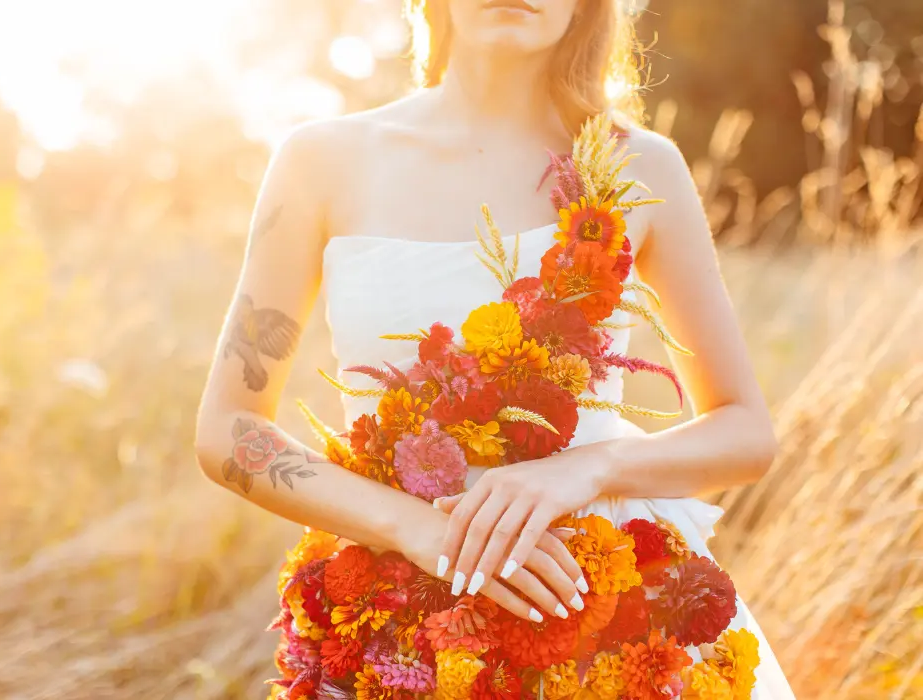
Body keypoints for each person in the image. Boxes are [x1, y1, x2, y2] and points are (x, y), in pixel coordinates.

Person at [195, 0, 796, 695]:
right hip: (398, 607)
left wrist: (588, 470)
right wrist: (420, 532)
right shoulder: (321, 161)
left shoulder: (641, 166)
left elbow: (746, 431)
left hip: (599, 607)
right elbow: (227, 428)